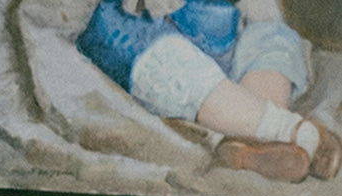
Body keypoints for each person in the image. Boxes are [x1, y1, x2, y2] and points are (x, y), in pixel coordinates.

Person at [76, 0, 342, 183]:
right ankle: (291, 130)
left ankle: (249, 144)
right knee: (174, 63)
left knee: (274, 39)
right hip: (144, 28)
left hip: (228, 29)